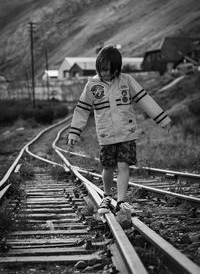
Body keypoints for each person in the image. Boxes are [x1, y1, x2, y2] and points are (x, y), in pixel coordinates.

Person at [67, 45, 171, 215]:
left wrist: (162, 118)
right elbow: (82, 109)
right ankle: (107, 196)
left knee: (123, 165)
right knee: (108, 167)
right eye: (102, 69)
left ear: (117, 67)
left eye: (108, 69)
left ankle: (121, 201)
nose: (105, 73)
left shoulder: (127, 81)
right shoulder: (92, 85)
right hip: (106, 134)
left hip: (126, 133)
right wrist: (74, 131)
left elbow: (144, 99)